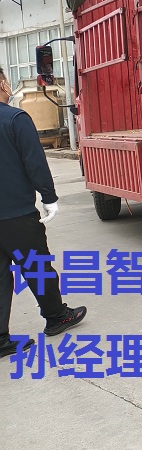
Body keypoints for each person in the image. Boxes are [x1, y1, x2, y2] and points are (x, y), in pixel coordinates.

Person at [0, 65, 86, 359]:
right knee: (37, 266)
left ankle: (1, 339)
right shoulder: (15, 119)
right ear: (2, 84)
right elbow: (34, 162)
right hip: (16, 214)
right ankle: (56, 316)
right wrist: (48, 197)